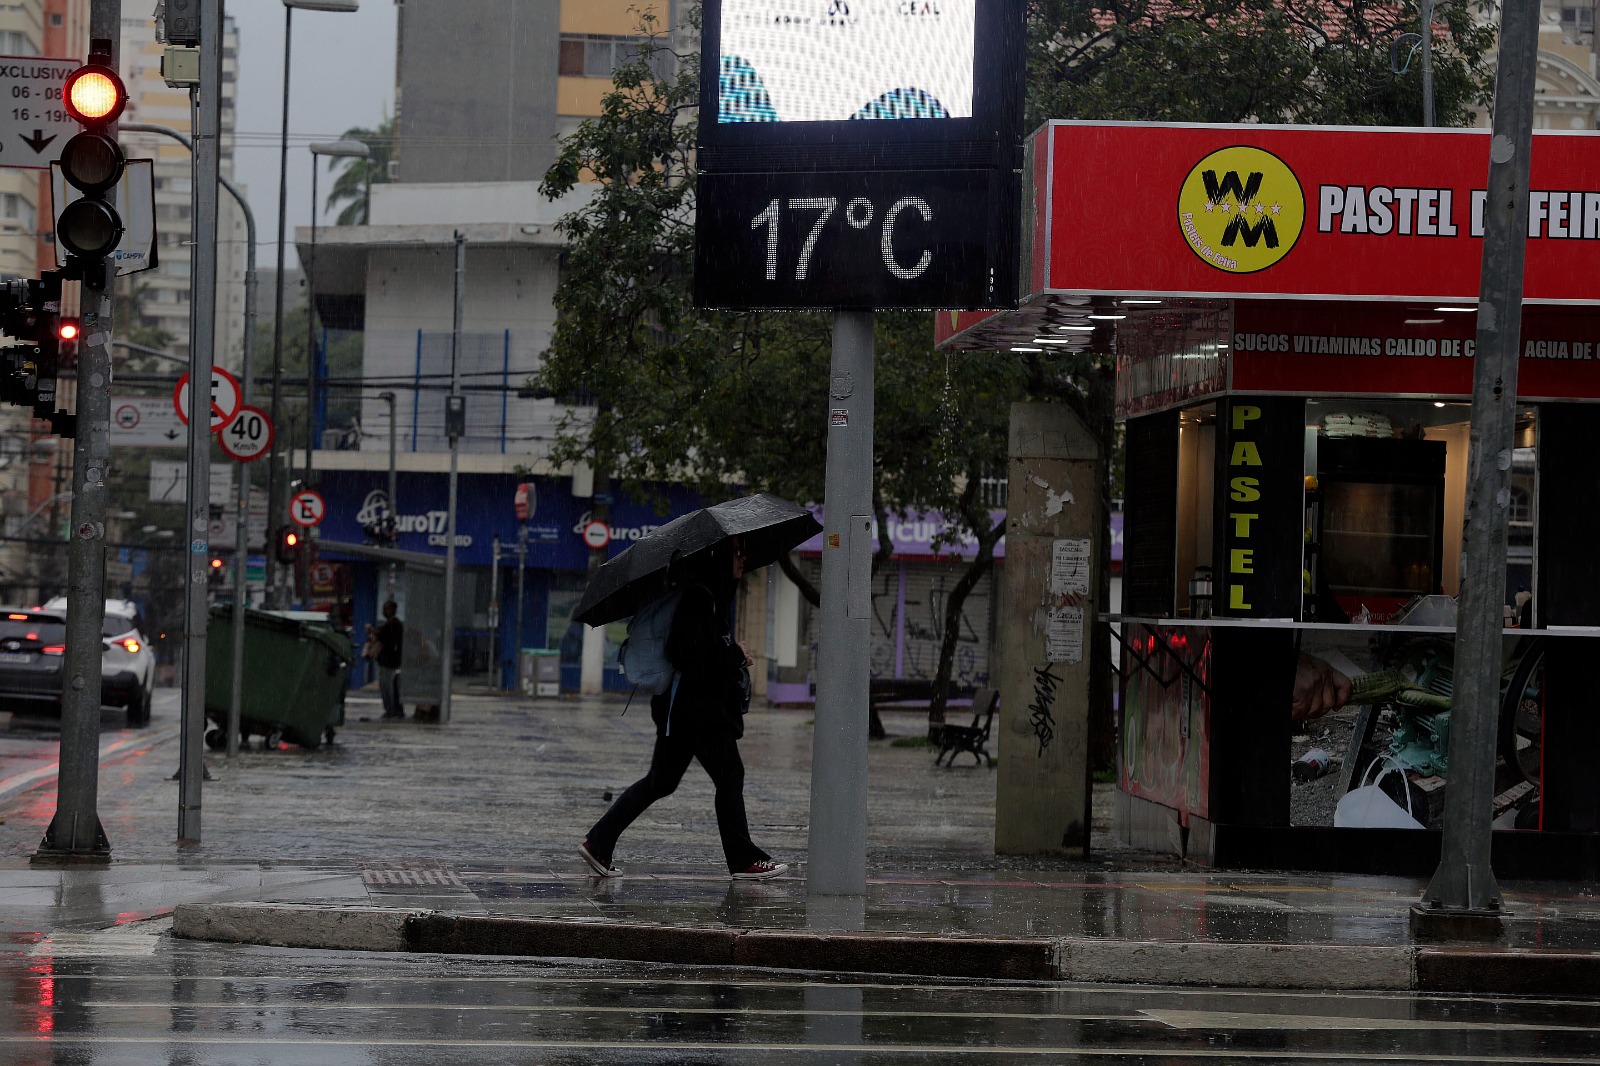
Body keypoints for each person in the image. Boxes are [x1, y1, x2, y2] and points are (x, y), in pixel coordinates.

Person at [580, 538, 786, 881]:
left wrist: (731, 650)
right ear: (720, 557)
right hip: (697, 713)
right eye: (736, 552)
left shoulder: (710, 596)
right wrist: (733, 655)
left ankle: (599, 841)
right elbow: (686, 652)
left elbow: (703, 648)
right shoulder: (700, 597)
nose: (742, 558)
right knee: (730, 776)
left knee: (660, 782)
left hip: (686, 712)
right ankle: (743, 860)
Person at [368, 601, 405, 720]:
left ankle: (391, 710)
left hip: (390, 662)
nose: (383, 612)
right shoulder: (392, 624)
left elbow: (382, 635)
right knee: (389, 686)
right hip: (389, 661)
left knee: (387, 687)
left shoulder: (393, 624)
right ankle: (393, 710)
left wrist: (371, 630)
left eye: (386, 609)